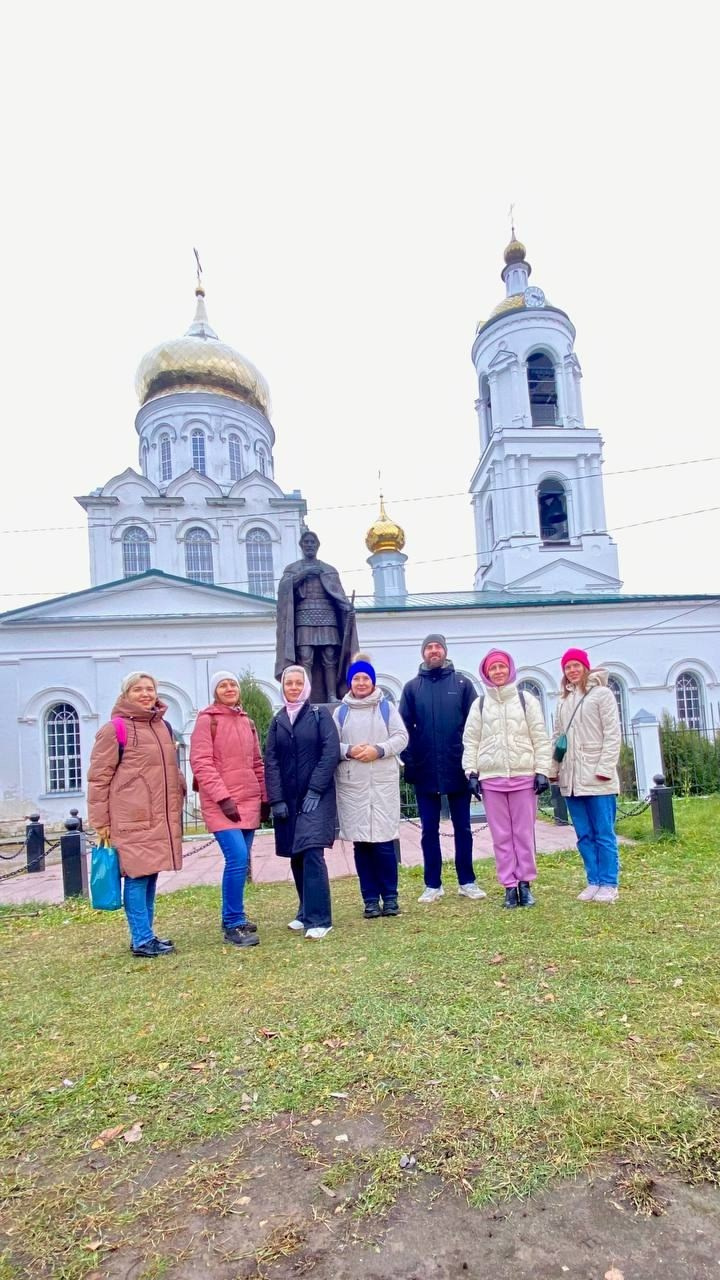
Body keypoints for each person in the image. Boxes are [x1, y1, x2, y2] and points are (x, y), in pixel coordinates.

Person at [88, 672, 185, 958]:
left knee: (150, 875)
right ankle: (142, 939)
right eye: (138, 690)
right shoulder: (115, 729)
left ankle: (145, 934)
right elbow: (98, 779)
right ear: (126, 694)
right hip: (131, 816)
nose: (145, 694)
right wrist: (101, 822)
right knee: (136, 876)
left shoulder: (162, 727)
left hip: (157, 815)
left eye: (150, 689)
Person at [399, 633, 485, 903]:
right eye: (429, 648)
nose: (433, 651)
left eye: (437, 647)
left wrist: (473, 767)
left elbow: (475, 727)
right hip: (425, 770)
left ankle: (467, 881)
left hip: (458, 768)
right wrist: (410, 763)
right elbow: (403, 729)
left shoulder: (462, 684)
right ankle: (432, 884)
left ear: (445, 652)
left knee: (463, 828)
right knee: (428, 831)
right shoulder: (412, 688)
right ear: (423, 653)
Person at [462, 650, 552, 908]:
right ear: (486, 673)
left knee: (523, 834)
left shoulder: (526, 700)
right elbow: (471, 741)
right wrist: (471, 772)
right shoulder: (479, 705)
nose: (498, 672)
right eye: (493, 668)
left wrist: (542, 770)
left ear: (510, 669)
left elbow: (539, 736)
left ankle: (526, 883)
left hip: (523, 776)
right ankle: (509, 887)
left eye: (502, 667)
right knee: (501, 836)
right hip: (492, 779)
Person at [189, 671, 267, 948]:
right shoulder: (207, 720)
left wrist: (264, 797)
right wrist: (223, 798)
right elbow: (201, 762)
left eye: (232, 683)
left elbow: (257, 762)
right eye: (223, 685)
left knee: (241, 861)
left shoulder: (246, 721)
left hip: (247, 799)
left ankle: (234, 915)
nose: (229, 688)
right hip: (221, 802)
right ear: (215, 691)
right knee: (236, 858)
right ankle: (233, 923)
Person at [264, 665, 341, 939]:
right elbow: (270, 761)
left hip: (316, 798)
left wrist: (315, 789)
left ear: (306, 686)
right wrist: (276, 799)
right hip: (289, 799)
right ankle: (305, 910)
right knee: (295, 853)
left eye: (298, 683)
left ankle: (320, 918)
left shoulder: (320, 715)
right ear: (283, 687)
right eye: (289, 683)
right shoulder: (277, 720)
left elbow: (330, 752)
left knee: (311, 852)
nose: (294, 687)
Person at [333, 658, 409, 918]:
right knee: (362, 845)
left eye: (366, 678)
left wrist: (378, 750)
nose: (361, 683)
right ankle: (369, 899)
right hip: (353, 785)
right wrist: (350, 751)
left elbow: (401, 737)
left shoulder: (386, 708)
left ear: (373, 681)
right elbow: (331, 745)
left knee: (384, 844)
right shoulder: (341, 712)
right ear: (350, 682)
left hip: (381, 785)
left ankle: (390, 897)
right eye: (357, 679)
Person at [551, 648, 622, 903]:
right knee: (583, 834)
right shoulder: (562, 701)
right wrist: (553, 769)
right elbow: (558, 736)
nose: (571, 671)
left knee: (603, 832)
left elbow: (612, 735)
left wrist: (604, 768)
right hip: (571, 778)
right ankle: (593, 880)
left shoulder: (602, 695)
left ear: (585, 667)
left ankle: (609, 882)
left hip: (596, 776)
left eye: (575, 665)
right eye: (567, 667)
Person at [274, 529, 359, 703]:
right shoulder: (293, 569)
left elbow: (338, 594)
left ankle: (332, 695)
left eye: (313, 542)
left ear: (318, 545)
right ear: (301, 546)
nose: (310, 545)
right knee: (305, 656)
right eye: (306, 542)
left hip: (327, 615)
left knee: (329, 657)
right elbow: (284, 590)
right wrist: (303, 575)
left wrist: (348, 607)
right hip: (303, 615)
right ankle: (307, 698)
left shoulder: (328, 569)